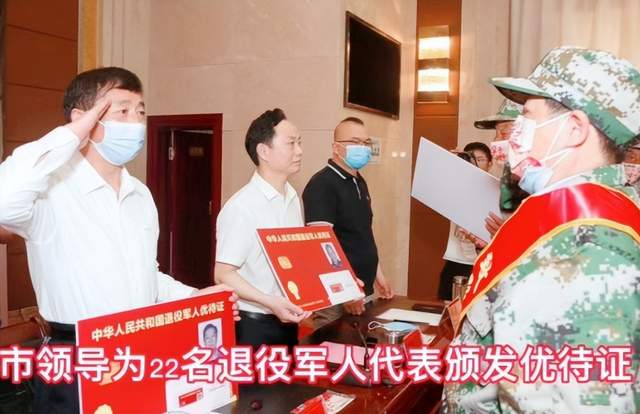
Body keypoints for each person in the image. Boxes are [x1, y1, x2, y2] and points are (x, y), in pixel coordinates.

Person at [0, 67, 239, 413]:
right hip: (76, 359)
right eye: (122, 111)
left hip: (138, 350)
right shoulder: (50, 191)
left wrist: (193, 297)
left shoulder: (140, 194)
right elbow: (4, 201)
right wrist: (71, 135)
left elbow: (146, 275)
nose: (135, 123)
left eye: (140, 111)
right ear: (83, 119)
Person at [441, 46, 640, 413]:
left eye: (527, 116)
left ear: (574, 129)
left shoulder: (584, 255)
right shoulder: (580, 217)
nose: (515, 132)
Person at [214, 108, 311, 349]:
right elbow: (223, 274)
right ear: (264, 151)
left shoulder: (292, 197)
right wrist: (269, 301)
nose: (299, 151)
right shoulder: (241, 206)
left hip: (287, 320)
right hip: (253, 326)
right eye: (291, 143)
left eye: (299, 142)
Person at [302, 117, 393, 328]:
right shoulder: (322, 184)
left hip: (362, 290)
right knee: (334, 346)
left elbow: (363, 232)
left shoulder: (359, 181)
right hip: (337, 296)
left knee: (360, 344)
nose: (362, 148)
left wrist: (379, 274)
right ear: (336, 147)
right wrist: (346, 291)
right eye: (354, 142)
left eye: (365, 142)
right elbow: (321, 246)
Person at [437, 143, 492, 300]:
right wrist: (448, 163)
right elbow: (436, 187)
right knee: (448, 307)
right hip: (455, 260)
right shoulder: (456, 187)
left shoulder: (497, 189)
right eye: (470, 159)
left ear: (490, 163)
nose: (475, 163)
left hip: (483, 262)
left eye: (480, 159)